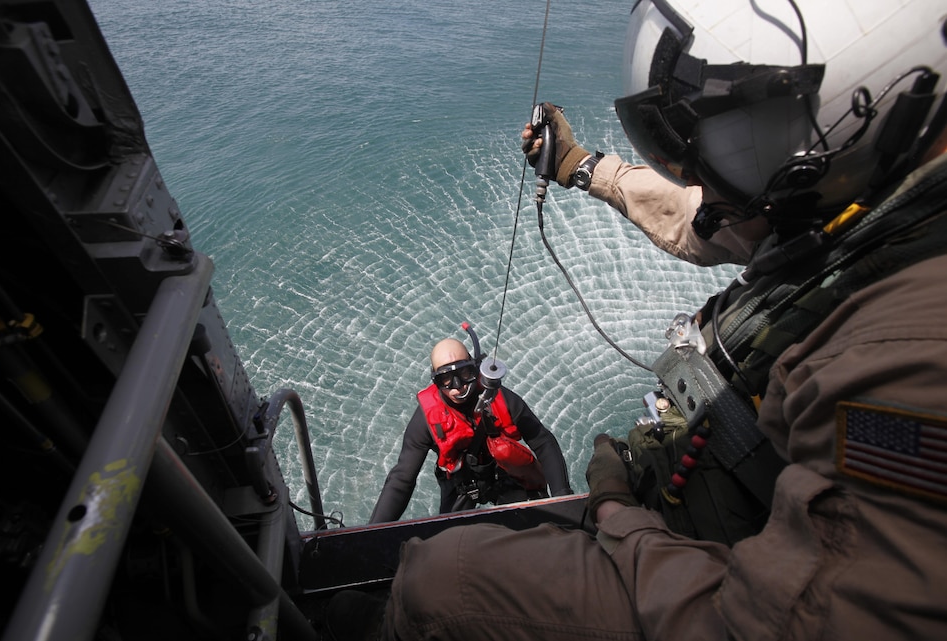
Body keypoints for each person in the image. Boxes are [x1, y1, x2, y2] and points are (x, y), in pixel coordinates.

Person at [329, 0, 947, 639]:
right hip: (692, 503)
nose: (711, 192)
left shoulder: (908, 362)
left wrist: (623, 516)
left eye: (734, 155)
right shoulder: (850, 207)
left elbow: (776, 624)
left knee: (440, 580)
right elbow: (707, 217)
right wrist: (583, 168)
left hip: (695, 554)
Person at [368, 330, 573, 523]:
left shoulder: (501, 399)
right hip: (461, 485)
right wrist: (372, 532)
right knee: (448, 541)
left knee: (536, 529)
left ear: (475, 368)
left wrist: (562, 497)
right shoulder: (425, 420)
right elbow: (402, 479)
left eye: (465, 373)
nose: (458, 385)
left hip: (506, 475)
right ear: (435, 381)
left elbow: (542, 441)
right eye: (446, 378)